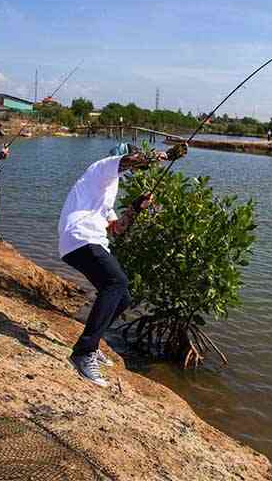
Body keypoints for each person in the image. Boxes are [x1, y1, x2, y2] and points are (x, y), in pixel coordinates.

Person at [59, 143, 185, 387]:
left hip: (89, 241)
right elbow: (132, 160)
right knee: (116, 282)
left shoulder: (107, 191)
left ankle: (91, 346)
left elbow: (117, 230)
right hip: (79, 236)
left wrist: (136, 207)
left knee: (123, 296)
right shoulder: (101, 168)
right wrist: (165, 155)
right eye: (132, 162)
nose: (134, 167)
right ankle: (83, 353)